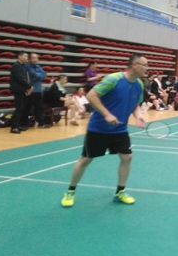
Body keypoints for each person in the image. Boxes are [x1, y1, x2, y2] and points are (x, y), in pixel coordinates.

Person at [61, 53, 147, 208]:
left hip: (119, 128)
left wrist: (139, 115)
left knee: (127, 157)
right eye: (144, 65)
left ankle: (120, 192)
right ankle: (70, 191)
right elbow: (91, 95)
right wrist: (106, 114)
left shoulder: (139, 84)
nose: (146, 68)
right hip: (99, 128)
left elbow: (136, 104)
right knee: (85, 159)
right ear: (134, 65)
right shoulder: (114, 79)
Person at [9, 51, 33, 134]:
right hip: (18, 90)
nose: (26, 58)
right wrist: (29, 86)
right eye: (25, 56)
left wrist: (28, 87)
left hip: (23, 90)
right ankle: (14, 127)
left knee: (22, 108)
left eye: (27, 56)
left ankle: (19, 124)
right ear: (19, 56)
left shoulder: (23, 66)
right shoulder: (16, 66)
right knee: (19, 108)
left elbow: (25, 78)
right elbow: (20, 78)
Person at [24, 52, 48, 128]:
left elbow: (44, 74)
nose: (35, 60)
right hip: (30, 90)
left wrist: (38, 76)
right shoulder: (27, 66)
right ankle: (25, 123)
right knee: (27, 108)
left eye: (36, 58)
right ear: (29, 59)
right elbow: (33, 74)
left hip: (38, 90)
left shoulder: (38, 66)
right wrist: (38, 76)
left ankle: (41, 123)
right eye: (33, 58)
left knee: (39, 108)